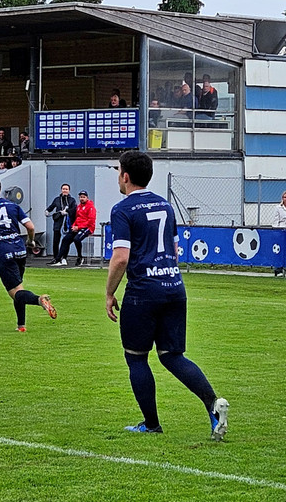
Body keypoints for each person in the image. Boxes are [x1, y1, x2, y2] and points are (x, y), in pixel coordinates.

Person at [105, 151, 229, 440]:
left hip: (143, 291)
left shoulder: (122, 209)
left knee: (136, 358)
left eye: (118, 171)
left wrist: (109, 293)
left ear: (125, 176)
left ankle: (151, 424)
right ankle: (213, 405)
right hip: (174, 287)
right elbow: (173, 250)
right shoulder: (165, 205)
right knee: (172, 356)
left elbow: (121, 258)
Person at [0, 176, 56, 332]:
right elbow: (30, 227)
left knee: (15, 292)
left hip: (3, 252)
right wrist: (31, 242)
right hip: (20, 250)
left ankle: (39, 300)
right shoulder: (13, 205)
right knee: (19, 289)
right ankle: (21, 326)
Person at [60, 190, 96, 266]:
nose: (82, 199)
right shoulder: (79, 207)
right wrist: (74, 226)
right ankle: (60, 258)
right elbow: (77, 218)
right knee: (66, 239)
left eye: (83, 197)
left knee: (77, 239)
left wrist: (79, 227)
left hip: (88, 227)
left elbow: (91, 221)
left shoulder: (91, 207)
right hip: (78, 227)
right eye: (80, 197)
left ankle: (80, 257)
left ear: (87, 198)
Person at [45, 183, 77, 266]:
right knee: (56, 241)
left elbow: (74, 210)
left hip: (68, 224)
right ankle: (56, 258)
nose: (65, 190)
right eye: (63, 189)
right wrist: (47, 211)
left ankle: (64, 258)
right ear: (61, 190)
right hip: (58, 224)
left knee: (66, 241)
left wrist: (67, 212)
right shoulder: (57, 199)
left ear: (69, 190)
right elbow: (50, 207)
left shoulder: (72, 200)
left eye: (66, 189)